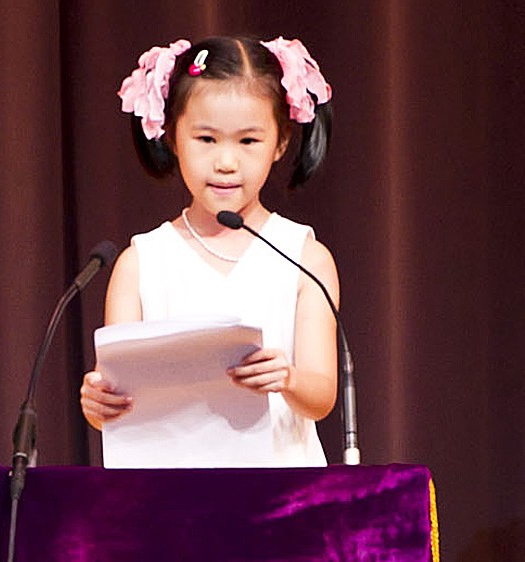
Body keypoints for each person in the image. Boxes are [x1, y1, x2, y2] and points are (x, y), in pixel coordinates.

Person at [80, 35, 339, 466]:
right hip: (172, 502)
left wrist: (288, 379)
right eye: (206, 139)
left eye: (248, 141)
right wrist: (98, 404)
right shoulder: (140, 264)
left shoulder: (305, 258)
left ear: (279, 143)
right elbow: (120, 399)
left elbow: (321, 396)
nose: (226, 162)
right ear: (170, 136)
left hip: (281, 500)